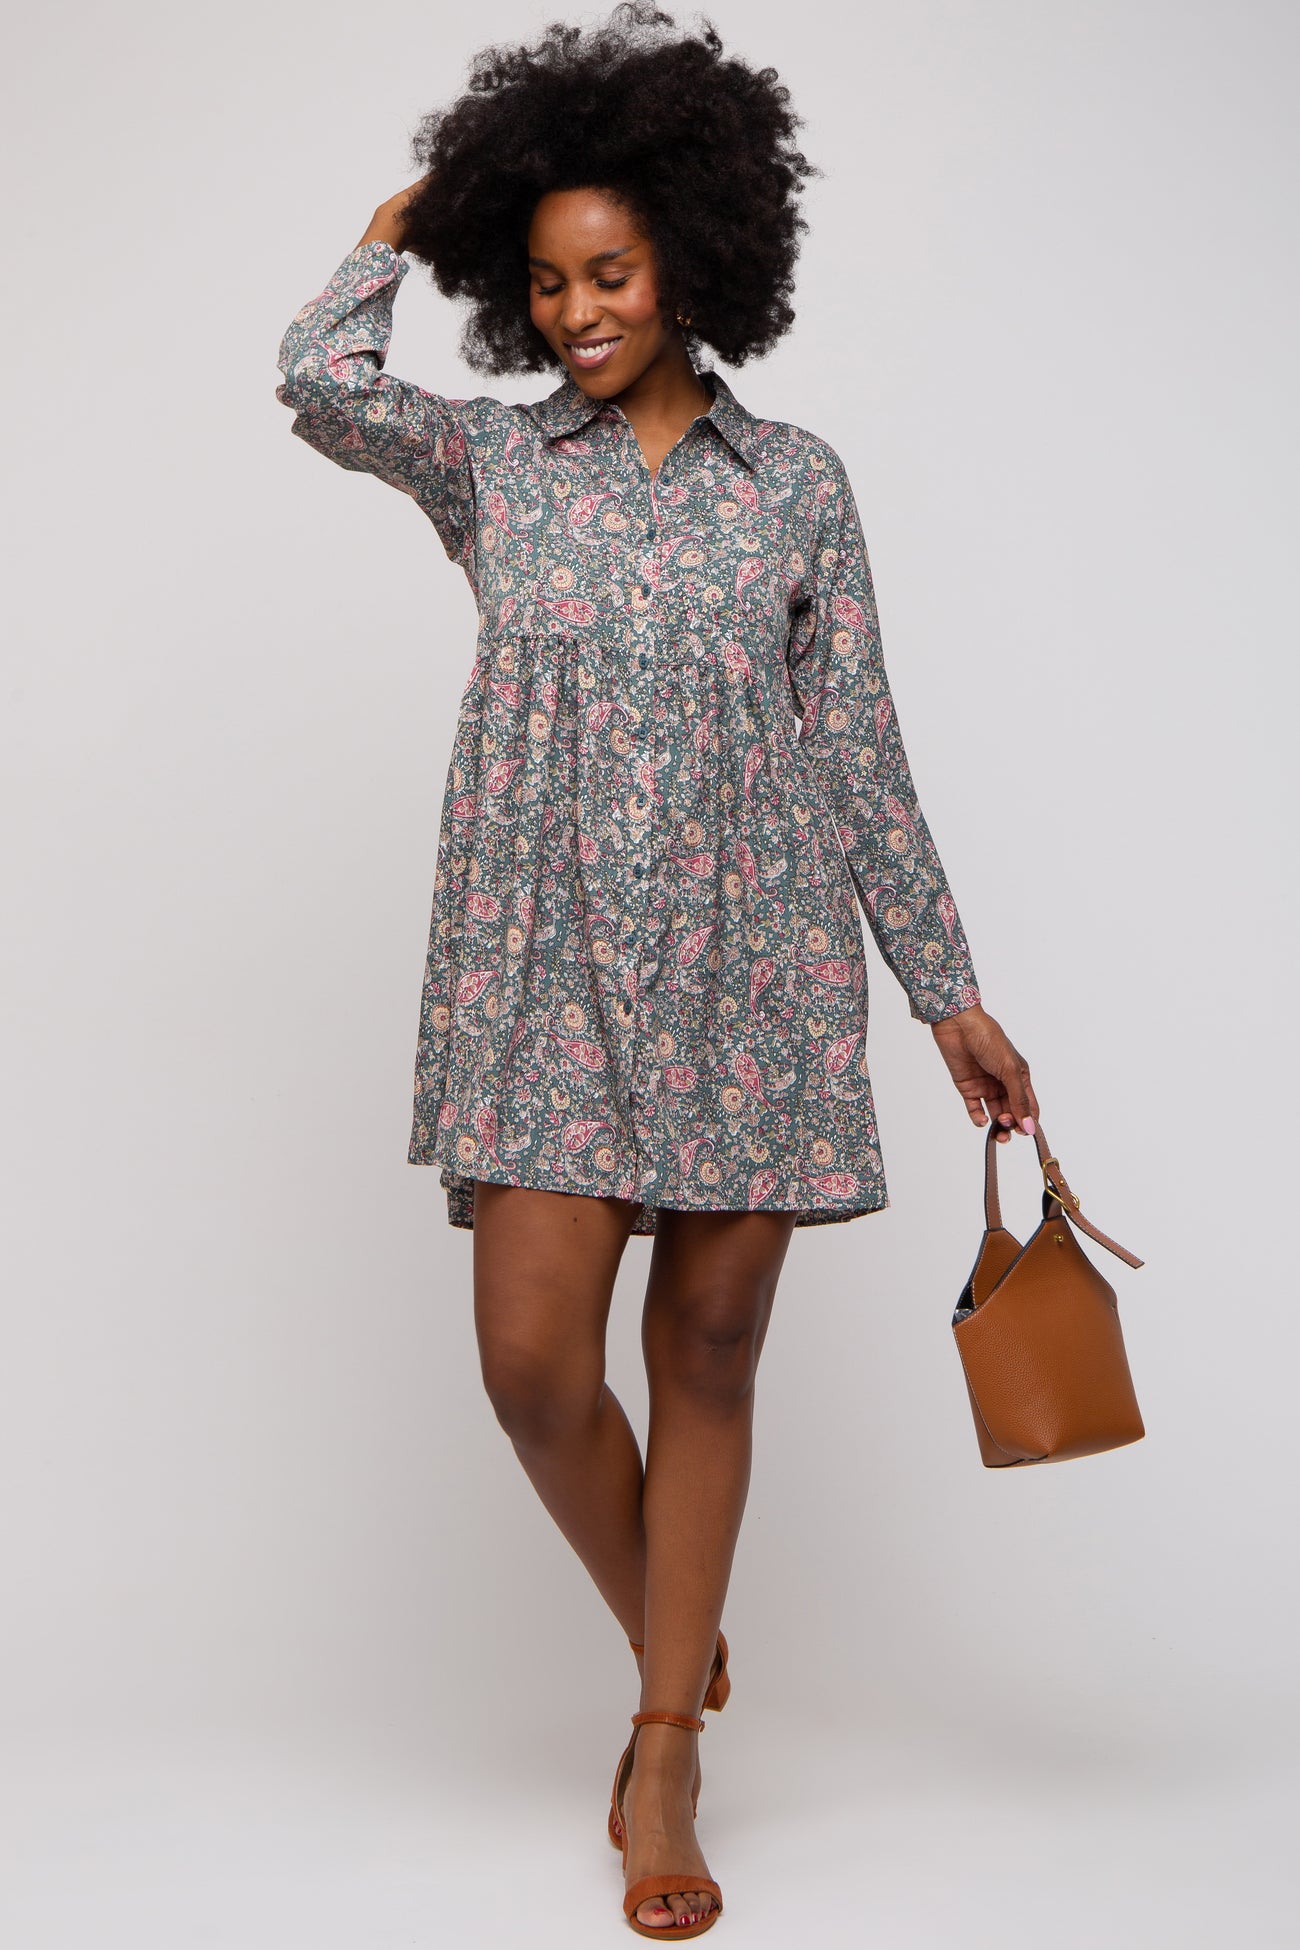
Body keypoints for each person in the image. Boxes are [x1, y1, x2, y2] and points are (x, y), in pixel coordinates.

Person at [274, 5, 1038, 1935]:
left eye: (608, 272)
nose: (576, 312)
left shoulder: (799, 488)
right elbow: (315, 379)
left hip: (754, 968)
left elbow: (859, 749)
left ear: (692, 258)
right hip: (538, 967)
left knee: (706, 1352)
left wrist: (946, 987)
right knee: (534, 1368)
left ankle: (665, 1747)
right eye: (543, 281)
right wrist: (406, 217)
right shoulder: (493, 467)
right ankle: (678, 1640)